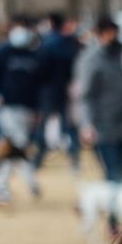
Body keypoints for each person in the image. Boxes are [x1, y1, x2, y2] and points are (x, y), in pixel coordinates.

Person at [0, 17, 43, 203]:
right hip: (8, 108)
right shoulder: (3, 51)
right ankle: (25, 183)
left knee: (16, 149)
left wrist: (37, 109)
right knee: (17, 146)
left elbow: (37, 84)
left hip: (27, 108)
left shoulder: (33, 54)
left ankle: (18, 183)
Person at [75, 16, 122, 182]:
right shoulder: (91, 59)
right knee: (113, 172)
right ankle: (114, 206)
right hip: (102, 124)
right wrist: (86, 124)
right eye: (109, 33)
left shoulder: (121, 54)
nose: (113, 36)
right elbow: (85, 95)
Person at [35, 13, 80, 169]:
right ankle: (74, 158)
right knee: (69, 127)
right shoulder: (71, 43)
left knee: (43, 125)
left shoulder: (46, 44)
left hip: (48, 90)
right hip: (66, 88)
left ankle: (38, 158)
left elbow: (40, 69)